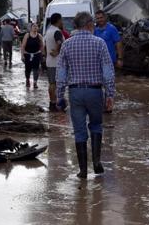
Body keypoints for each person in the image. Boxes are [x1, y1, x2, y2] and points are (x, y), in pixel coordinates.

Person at [56, 12, 115, 179]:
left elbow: (61, 73)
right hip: (95, 91)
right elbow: (108, 72)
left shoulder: (67, 45)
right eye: (94, 24)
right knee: (96, 125)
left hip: (75, 92)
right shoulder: (100, 43)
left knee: (79, 130)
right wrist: (110, 95)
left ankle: (82, 171)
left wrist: (60, 96)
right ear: (89, 25)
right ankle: (96, 162)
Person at [44, 13, 65, 112]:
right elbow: (59, 42)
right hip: (56, 62)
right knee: (55, 84)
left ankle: (53, 103)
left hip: (49, 61)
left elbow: (44, 45)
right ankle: (55, 103)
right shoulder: (57, 31)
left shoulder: (48, 31)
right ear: (58, 20)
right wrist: (57, 51)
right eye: (61, 20)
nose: (62, 22)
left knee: (52, 83)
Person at [21, 23, 43, 88]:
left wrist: (43, 55)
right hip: (27, 54)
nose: (35, 27)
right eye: (34, 26)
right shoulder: (27, 35)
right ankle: (27, 80)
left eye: (36, 26)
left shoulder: (39, 36)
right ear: (31, 28)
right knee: (28, 69)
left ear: (38, 28)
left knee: (36, 69)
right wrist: (22, 55)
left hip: (36, 54)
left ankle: (35, 82)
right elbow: (23, 46)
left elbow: (42, 46)